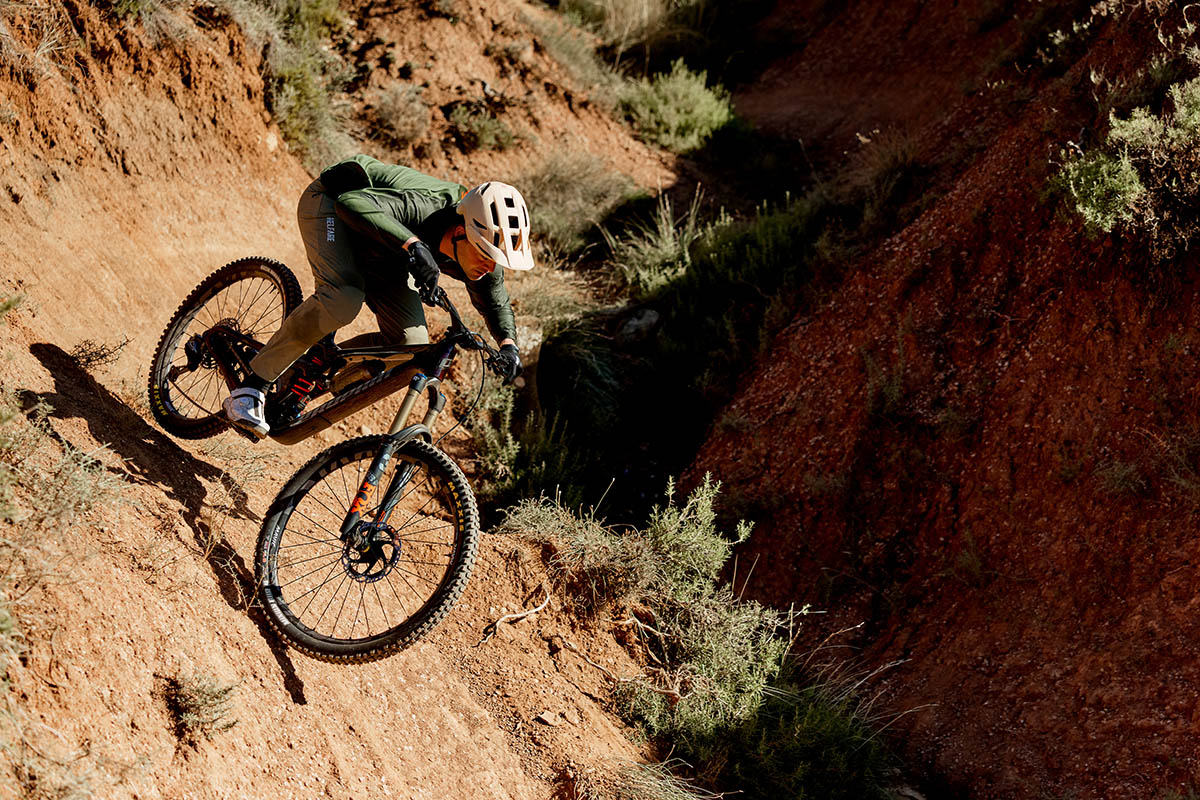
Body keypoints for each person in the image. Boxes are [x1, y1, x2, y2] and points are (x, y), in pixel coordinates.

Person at [222, 153, 531, 437]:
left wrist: (509, 346)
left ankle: (315, 374)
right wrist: (414, 245)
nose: (489, 266)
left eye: (497, 260)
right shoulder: (425, 208)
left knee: (410, 345)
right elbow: (350, 201)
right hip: (332, 206)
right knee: (342, 299)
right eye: (485, 254)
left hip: (385, 250)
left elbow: (496, 302)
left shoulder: (484, 262)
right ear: (461, 230)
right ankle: (251, 387)